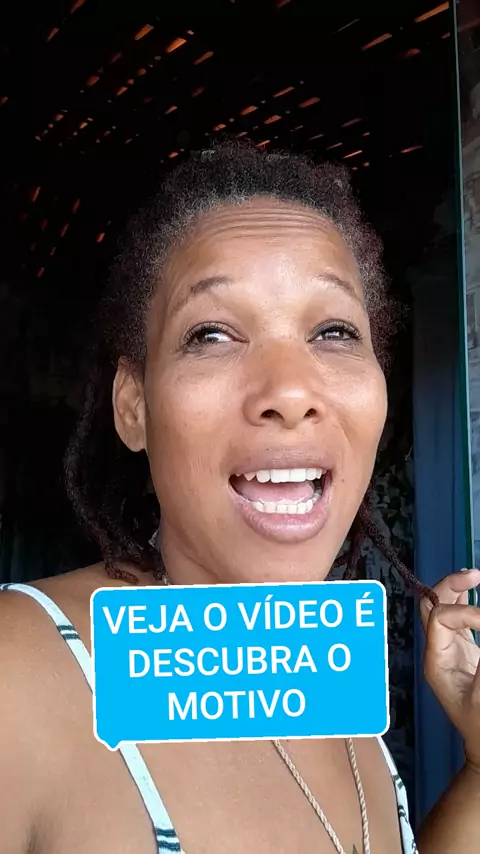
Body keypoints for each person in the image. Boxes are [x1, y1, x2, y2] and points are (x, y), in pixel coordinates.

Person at [1, 141, 480, 854]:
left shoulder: (334, 675)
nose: (290, 391)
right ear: (134, 405)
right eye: (212, 334)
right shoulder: (19, 674)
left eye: (334, 331)